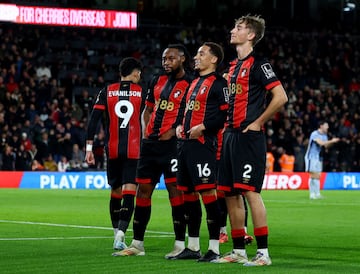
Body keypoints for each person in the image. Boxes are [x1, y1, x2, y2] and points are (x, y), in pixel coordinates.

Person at [216, 14, 288, 266]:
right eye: (234, 26)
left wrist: (258, 122)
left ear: (251, 35)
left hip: (249, 138)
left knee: (250, 193)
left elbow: (280, 97)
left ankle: (263, 254)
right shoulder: (233, 66)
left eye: (239, 28)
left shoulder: (259, 64)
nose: (233, 30)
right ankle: (238, 251)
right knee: (230, 194)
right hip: (230, 136)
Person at [113, 44, 194, 257]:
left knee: (175, 193)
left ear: (183, 59)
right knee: (143, 191)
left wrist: (173, 131)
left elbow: (191, 114)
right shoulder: (156, 81)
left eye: (171, 58)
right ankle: (137, 244)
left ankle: (179, 244)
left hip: (173, 146)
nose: (166, 62)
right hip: (150, 145)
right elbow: (147, 109)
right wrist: (145, 131)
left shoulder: (190, 84)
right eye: (164, 59)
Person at [172, 42, 228, 262]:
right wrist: (178, 125)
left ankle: (214, 248)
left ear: (213, 59)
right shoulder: (194, 82)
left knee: (208, 195)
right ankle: (193, 245)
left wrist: (203, 127)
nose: (196, 57)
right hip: (185, 145)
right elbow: (184, 111)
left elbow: (225, 115)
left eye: (201, 54)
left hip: (203, 145)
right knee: (187, 195)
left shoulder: (219, 84)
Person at [84, 57, 144, 251]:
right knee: (129, 192)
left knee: (115, 192)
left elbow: (93, 120)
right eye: (139, 73)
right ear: (135, 73)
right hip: (134, 149)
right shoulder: (142, 92)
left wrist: (89, 148)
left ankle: (115, 233)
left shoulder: (107, 91)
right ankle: (120, 234)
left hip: (113, 149)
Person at [304, 121, 339, 199]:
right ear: (321, 126)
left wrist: (332, 143)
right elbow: (320, 143)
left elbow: (326, 146)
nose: (328, 127)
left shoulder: (324, 135)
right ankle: (312, 194)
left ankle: (317, 194)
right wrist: (332, 140)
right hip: (311, 157)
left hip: (318, 157)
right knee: (313, 175)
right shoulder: (314, 134)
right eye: (326, 125)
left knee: (317, 176)